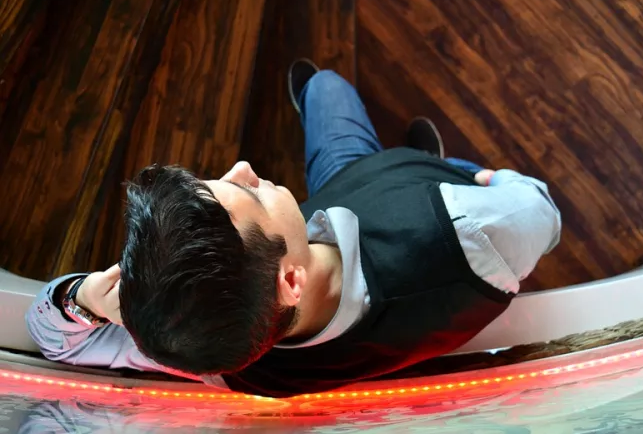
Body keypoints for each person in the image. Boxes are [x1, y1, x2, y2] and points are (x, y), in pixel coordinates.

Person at [26, 60, 562, 397]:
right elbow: (540, 209)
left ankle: (412, 160)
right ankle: (432, 163)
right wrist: (487, 180)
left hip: (343, 191)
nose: (242, 168)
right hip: (435, 202)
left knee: (323, 87)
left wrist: (82, 299)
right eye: (245, 193)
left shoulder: (214, 353)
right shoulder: (475, 234)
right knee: (330, 88)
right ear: (289, 282)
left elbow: (53, 342)